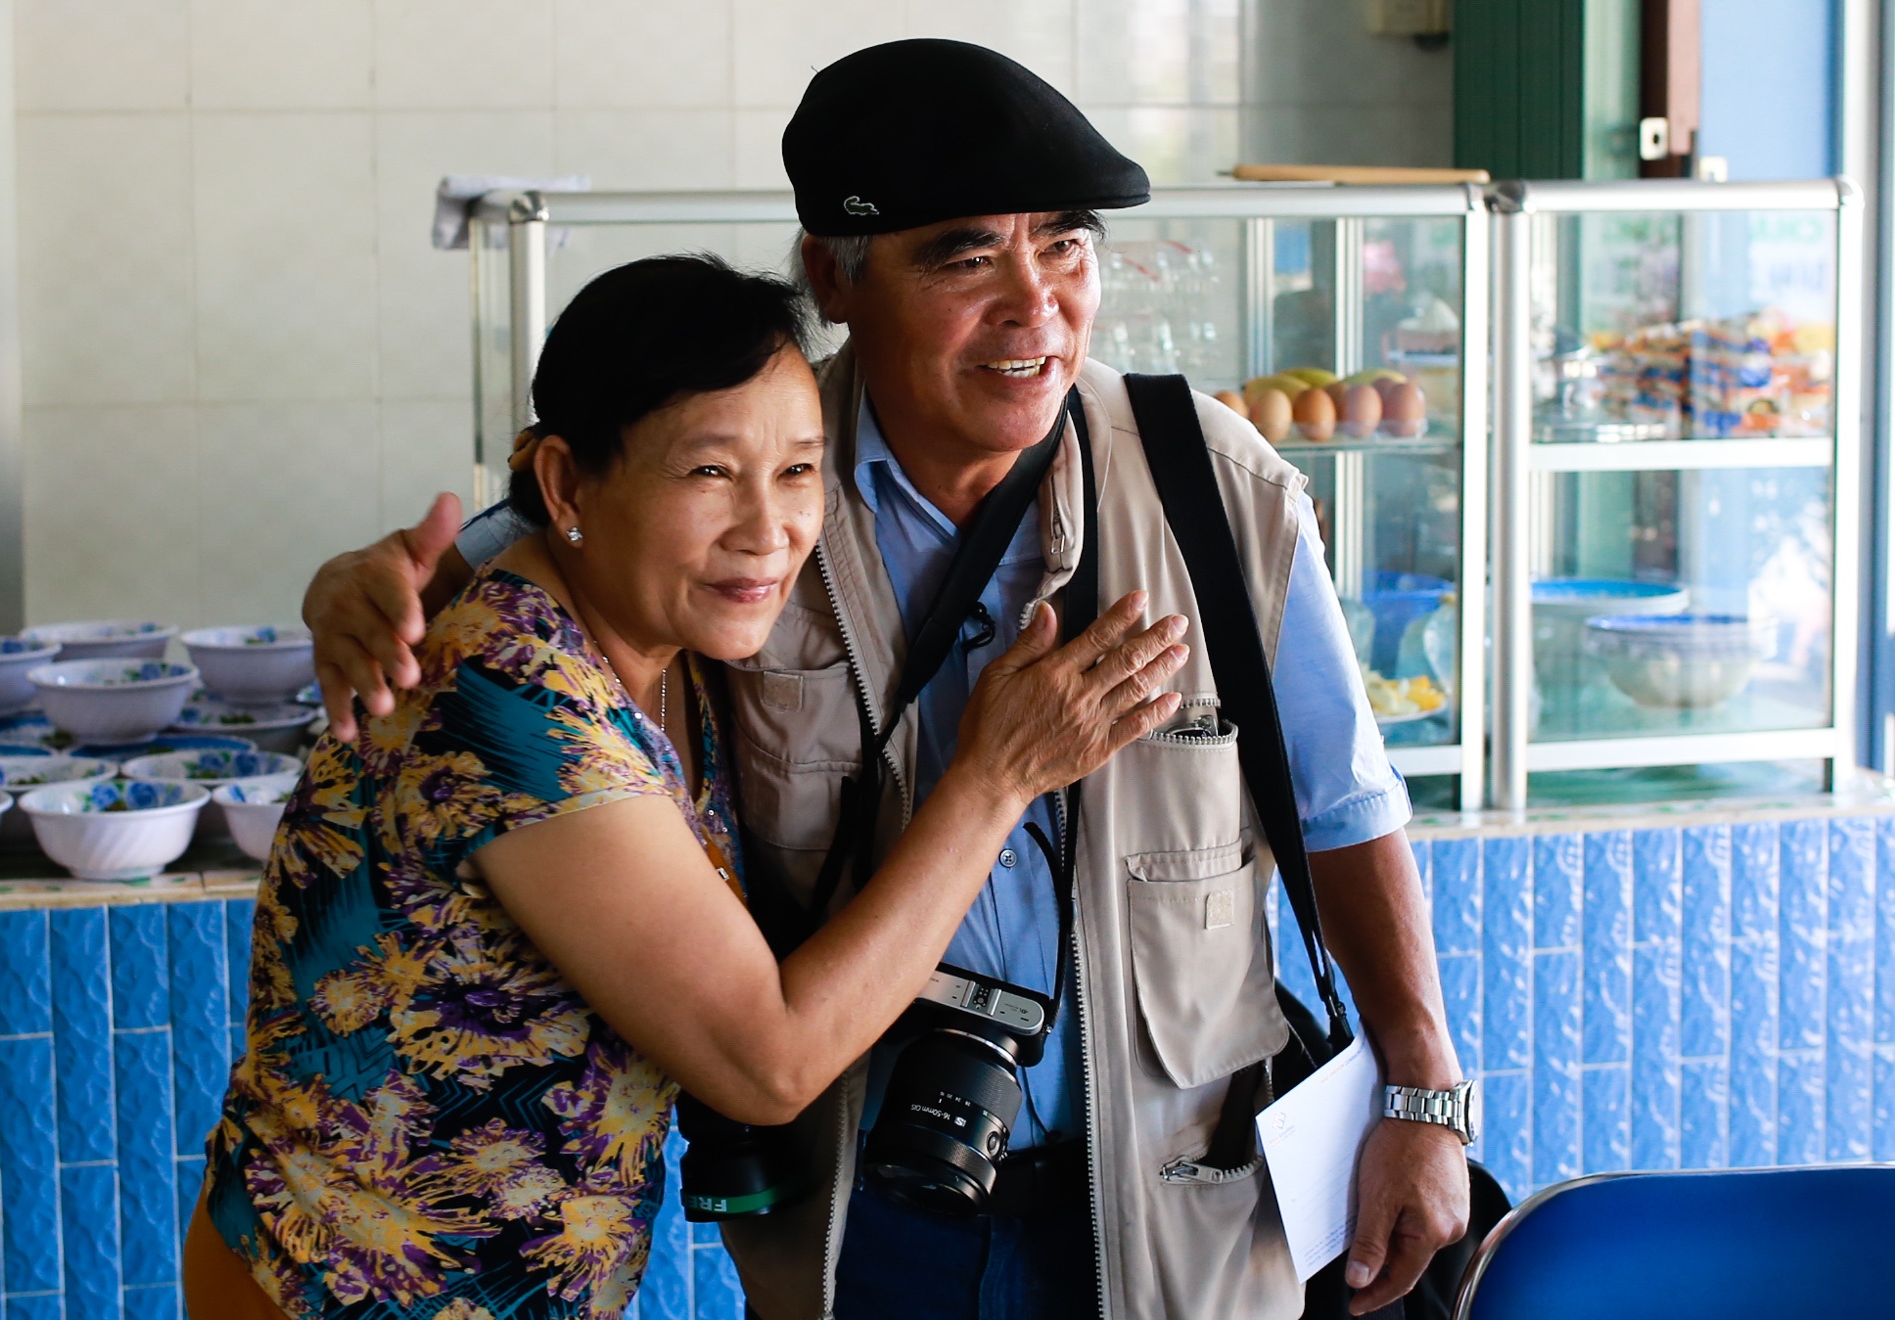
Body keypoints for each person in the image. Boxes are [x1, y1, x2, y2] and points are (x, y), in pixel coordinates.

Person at [303, 40, 1472, 1320]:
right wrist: (358, 582)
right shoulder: (749, 496)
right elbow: (514, 550)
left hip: (1184, 1199)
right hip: (868, 1215)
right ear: (834, 277)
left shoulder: (1213, 488)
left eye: (1065, 247)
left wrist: (1422, 1091)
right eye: (965, 259)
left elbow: (1343, 809)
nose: (1034, 308)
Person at [187, 254, 1188, 1320]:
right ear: (568, 485)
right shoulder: (507, 696)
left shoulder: (666, 645)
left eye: (798, 471)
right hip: (344, 1286)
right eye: (710, 472)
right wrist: (995, 778)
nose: (768, 529)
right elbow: (769, 1061)